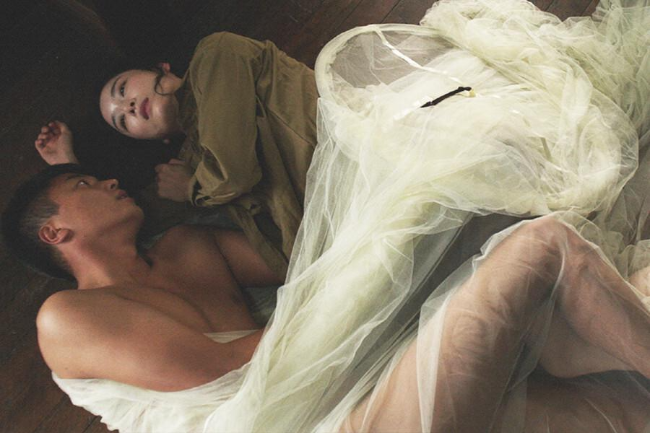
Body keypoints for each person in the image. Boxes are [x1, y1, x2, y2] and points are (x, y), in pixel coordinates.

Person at [3, 164, 649, 432]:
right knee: (541, 247)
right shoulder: (65, 318)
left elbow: (317, 257)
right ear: (55, 233)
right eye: (85, 185)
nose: (109, 181)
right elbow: (226, 371)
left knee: (621, 405)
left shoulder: (188, 246)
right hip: (322, 427)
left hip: (375, 384)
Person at [35, 32, 319, 279]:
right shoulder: (190, 166)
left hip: (340, 158)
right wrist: (66, 167)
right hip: (322, 246)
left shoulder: (216, 53)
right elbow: (127, 222)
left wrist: (191, 188)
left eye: (122, 89)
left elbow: (235, 173)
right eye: (123, 121)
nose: (128, 107)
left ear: (161, 68)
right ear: (157, 139)